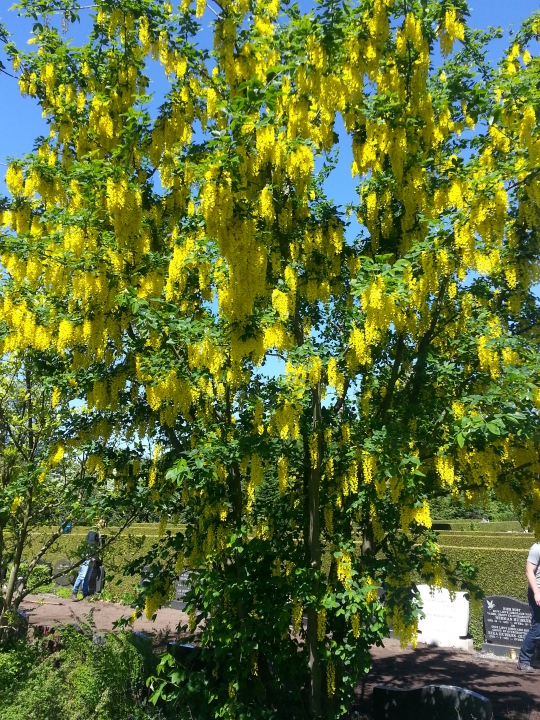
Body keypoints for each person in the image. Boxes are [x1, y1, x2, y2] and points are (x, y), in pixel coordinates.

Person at [518, 541, 540, 672]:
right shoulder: (537, 548)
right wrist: (537, 593)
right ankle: (523, 660)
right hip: (537, 592)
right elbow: (529, 571)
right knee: (537, 627)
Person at [70, 530, 101, 602]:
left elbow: (96, 546)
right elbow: (91, 544)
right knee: (82, 575)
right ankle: (74, 592)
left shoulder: (97, 532)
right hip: (87, 556)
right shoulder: (92, 532)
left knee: (87, 576)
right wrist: (93, 556)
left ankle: (85, 593)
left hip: (91, 556)